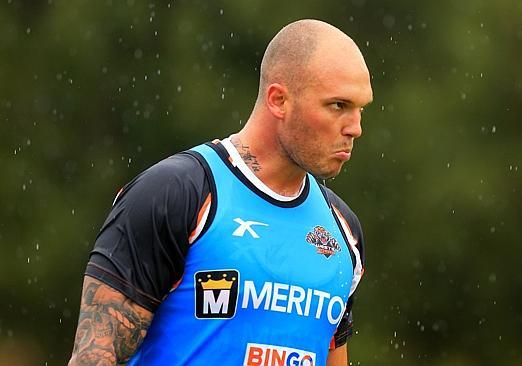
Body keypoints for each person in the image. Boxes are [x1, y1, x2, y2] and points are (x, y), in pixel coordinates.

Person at [68, 18, 372, 366]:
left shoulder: (343, 230)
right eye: (338, 105)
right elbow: (92, 358)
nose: (356, 128)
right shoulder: (177, 193)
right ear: (279, 100)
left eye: (361, 108)